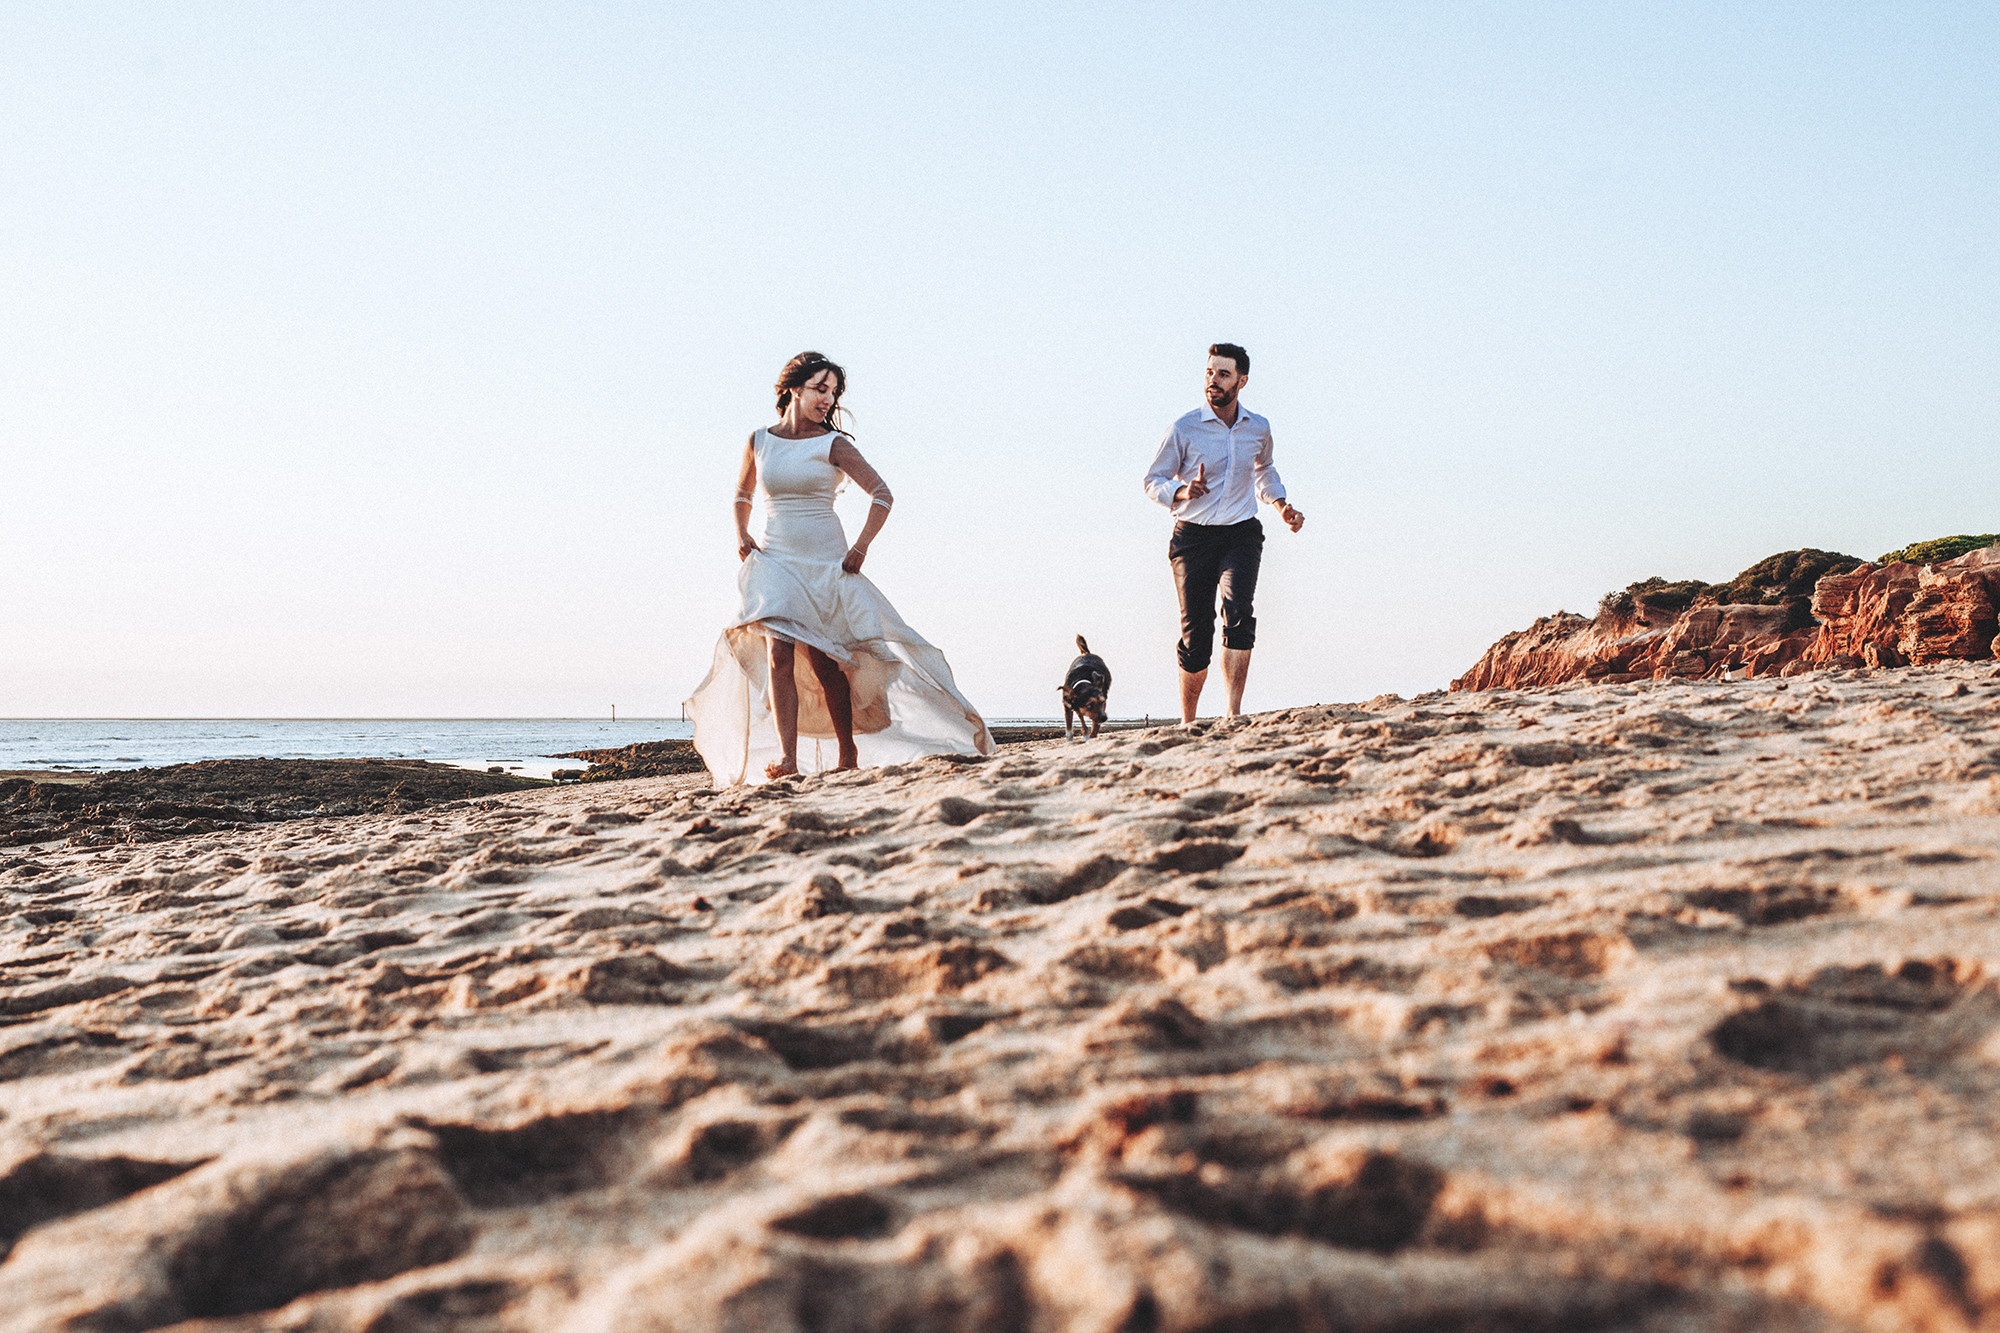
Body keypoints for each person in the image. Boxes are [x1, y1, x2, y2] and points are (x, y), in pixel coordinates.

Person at [685, 351, 993, 783]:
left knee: (828, 663)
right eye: (820, 389)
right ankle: (789, 760)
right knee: (778, 654)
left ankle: (847, 753)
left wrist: (861, 548)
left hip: (827, 562)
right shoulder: (759, 441)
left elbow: (882, 494)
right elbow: (742, 494)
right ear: (794, 388)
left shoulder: (833, 444)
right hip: (774, 559)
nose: (827, 399)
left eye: (833, 392)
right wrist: (741, 533)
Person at [1141, 343, 1305, 721]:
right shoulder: (1184, 428)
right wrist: (1181, 491)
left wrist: (1281, 505)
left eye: (1223, 374)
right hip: (1192, 537)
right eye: (1209, 373)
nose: (1213, 381)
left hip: (1240, 533)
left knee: (1238, 613)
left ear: (1241, 381)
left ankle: (1233, 715)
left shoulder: (1258, 427)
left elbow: (1263, 469)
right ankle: (1188, 721)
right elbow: (1153, 480)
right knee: (1197, 636)